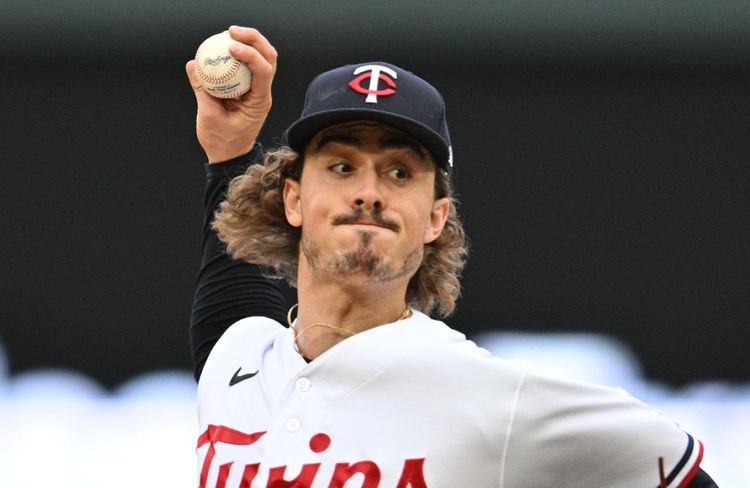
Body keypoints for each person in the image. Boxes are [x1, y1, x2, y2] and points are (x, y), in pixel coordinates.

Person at [185, 26, 718, 487]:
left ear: (436, 218)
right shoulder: (238, 357)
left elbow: (675, 468)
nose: (368, 193)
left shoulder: (492, 398)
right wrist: (230, 152)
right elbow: (230, 273)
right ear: (294, 199)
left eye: (399, 173)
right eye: (342, 167)